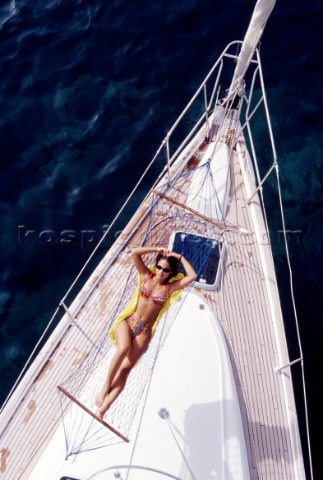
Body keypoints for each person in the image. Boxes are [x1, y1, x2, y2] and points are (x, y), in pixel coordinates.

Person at [95, 246, 196, 419]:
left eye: (166, 270)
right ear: (156, 265)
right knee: (123, 348)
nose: (161, 272)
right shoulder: (145, 276)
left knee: (125, 371)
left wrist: (179, 256)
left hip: (144, 331)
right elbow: (135, 253)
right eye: (159, 267)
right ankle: (105, 387)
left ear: (171, 273)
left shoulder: (169, 289)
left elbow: (192, 276)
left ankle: (103, 410)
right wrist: (156, 249)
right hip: (128, 322)